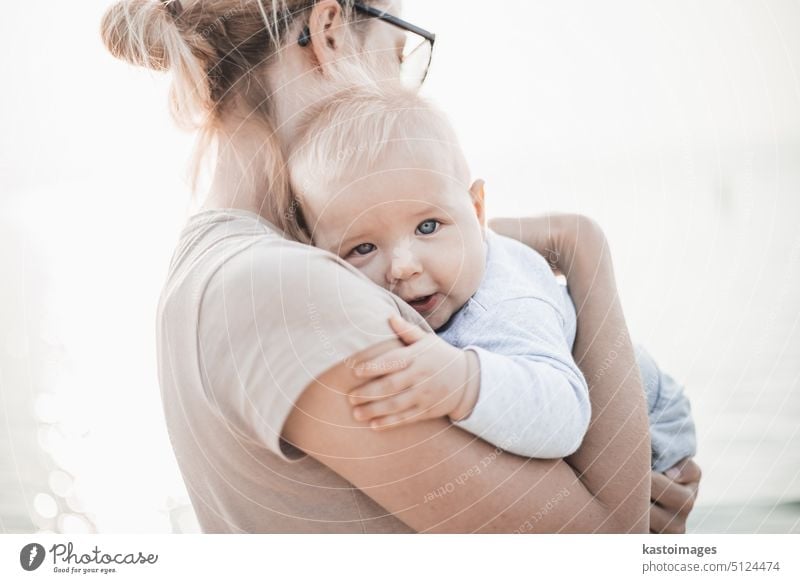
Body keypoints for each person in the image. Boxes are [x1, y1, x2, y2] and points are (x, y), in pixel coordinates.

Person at [101, 0, 700, 533]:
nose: (403, 86)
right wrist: (584, 251)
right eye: (400, 51)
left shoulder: (232, 268)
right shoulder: (282, 285)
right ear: (330, 31)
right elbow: (608, 545)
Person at [287, 84, 696, 469]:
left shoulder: (506, 305)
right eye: (363, 248)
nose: (402, 266)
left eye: (428, 227)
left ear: (477, 211)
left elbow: (565, 416)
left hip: (653, 425)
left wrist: (462, 381)